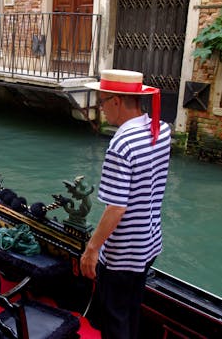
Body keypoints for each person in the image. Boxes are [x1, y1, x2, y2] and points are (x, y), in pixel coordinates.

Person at [80, 69, 171, 339]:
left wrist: (92, 249)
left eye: (102, 102)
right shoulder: (161, 129)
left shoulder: (121, 143)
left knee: (115, 321)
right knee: (131, 310)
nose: (102, 109)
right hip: (150, 242)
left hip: (123, 252)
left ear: (117, 101)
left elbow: (116, 208)